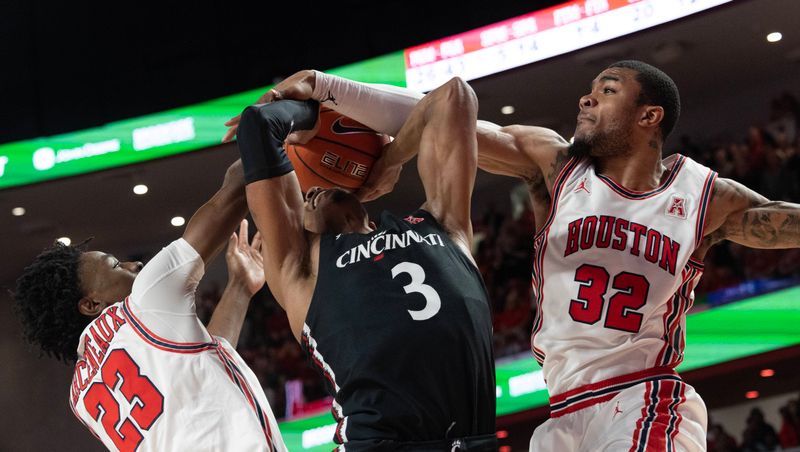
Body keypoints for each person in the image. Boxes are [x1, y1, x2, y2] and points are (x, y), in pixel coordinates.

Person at [228, 61, 800, 451]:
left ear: (650, 116)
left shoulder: (702, 194)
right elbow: (448, 114)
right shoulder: (554, 166)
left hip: (643, 393)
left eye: (607, 90)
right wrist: (335, 95)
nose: (586, 96)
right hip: (562, 410)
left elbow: (784, 223)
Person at [232, 77, 496, 451]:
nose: (311, 193)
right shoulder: (300, 268)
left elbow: (454, 96)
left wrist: (387, 160)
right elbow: (259, 126)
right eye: (304, 194)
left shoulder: (444, 222)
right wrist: (310, 116)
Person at [13, 161, 287, 451]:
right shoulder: (141, 303)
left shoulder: (79, 396)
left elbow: (197, 370)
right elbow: (232, 193)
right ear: (92, 304)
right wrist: (269, 128)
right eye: (115, 265)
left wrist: (240, 288)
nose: (135, 264)